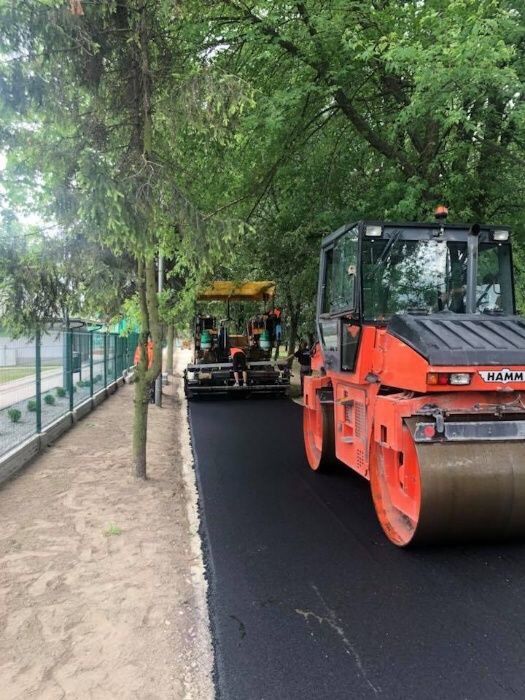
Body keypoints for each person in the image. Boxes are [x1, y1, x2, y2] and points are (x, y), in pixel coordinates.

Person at [134, 337, 157, 403]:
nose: (148, 340)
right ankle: (144, 398)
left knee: (151, 384)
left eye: (149, 338)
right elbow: (136, 358)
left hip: (150, 369)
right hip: (143, 369)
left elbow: (153, 359)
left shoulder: (153, 347)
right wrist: (137, 366)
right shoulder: (140, 348)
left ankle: (151, 398)